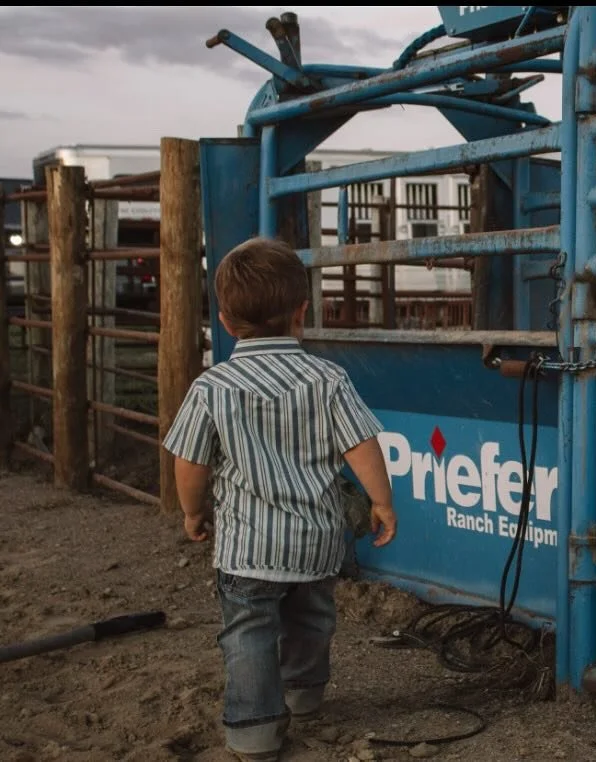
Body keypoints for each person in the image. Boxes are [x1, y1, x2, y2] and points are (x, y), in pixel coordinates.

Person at [162, 236, 397, 762]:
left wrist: (193, 511)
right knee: (312, 620)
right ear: (302, 312)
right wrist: (382, 502)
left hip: (247, 548)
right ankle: (304, 695)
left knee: (248, 633)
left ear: (224, 322)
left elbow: (190, 464)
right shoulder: (327, 378)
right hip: (316, 544)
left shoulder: (212, 387)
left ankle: (253, 731)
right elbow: (362, 446)